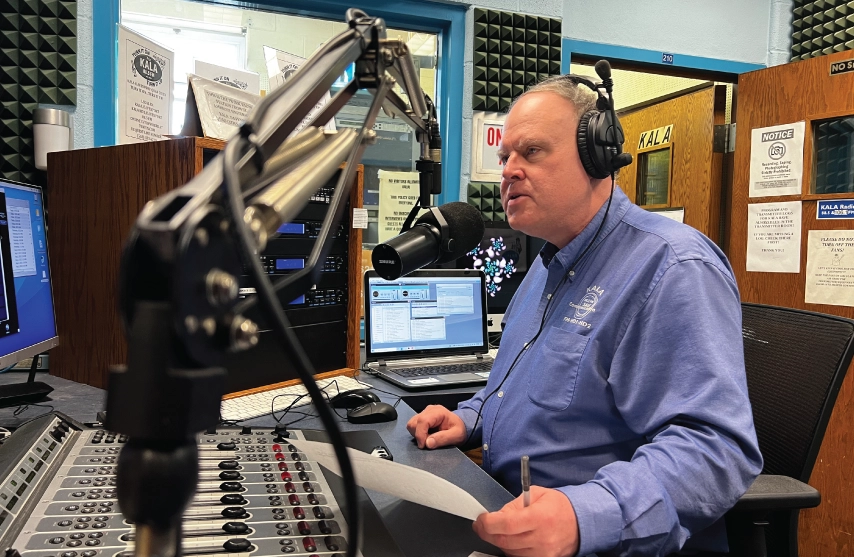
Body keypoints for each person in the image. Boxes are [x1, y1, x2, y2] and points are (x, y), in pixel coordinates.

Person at [406, 76, 763, 557]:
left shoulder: (672, 266)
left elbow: (715, 450)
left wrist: (584, 516)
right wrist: (468, 417)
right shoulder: (544, 268)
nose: (509, 171)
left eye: (531, 152)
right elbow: (513, 390)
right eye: (504, 157)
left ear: (598, 154)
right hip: (508, 511)